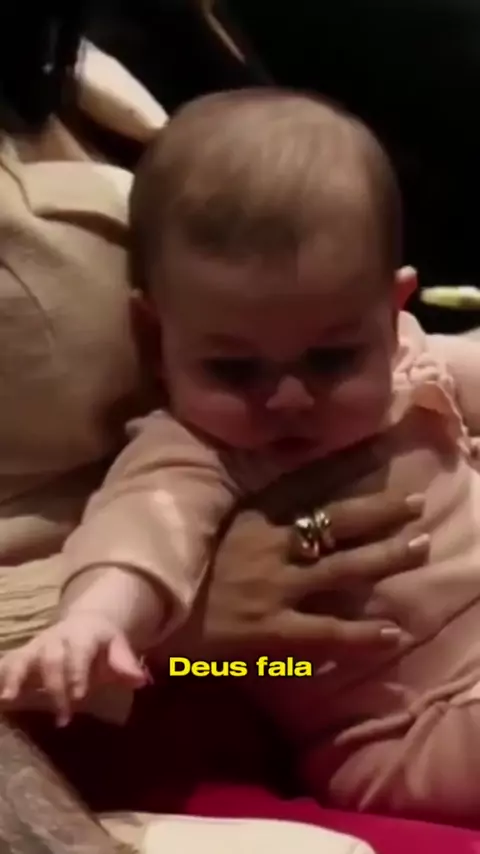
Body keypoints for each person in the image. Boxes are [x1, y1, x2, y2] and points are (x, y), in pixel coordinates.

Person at [3, 86, 478, 823]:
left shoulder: (408, 362)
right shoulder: (199, 453)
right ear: (155, 337)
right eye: (235, 369)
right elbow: (141, 537)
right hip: (409, 730)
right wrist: (93, 621)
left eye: (331, 359)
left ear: (392, 312)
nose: (288, 398)